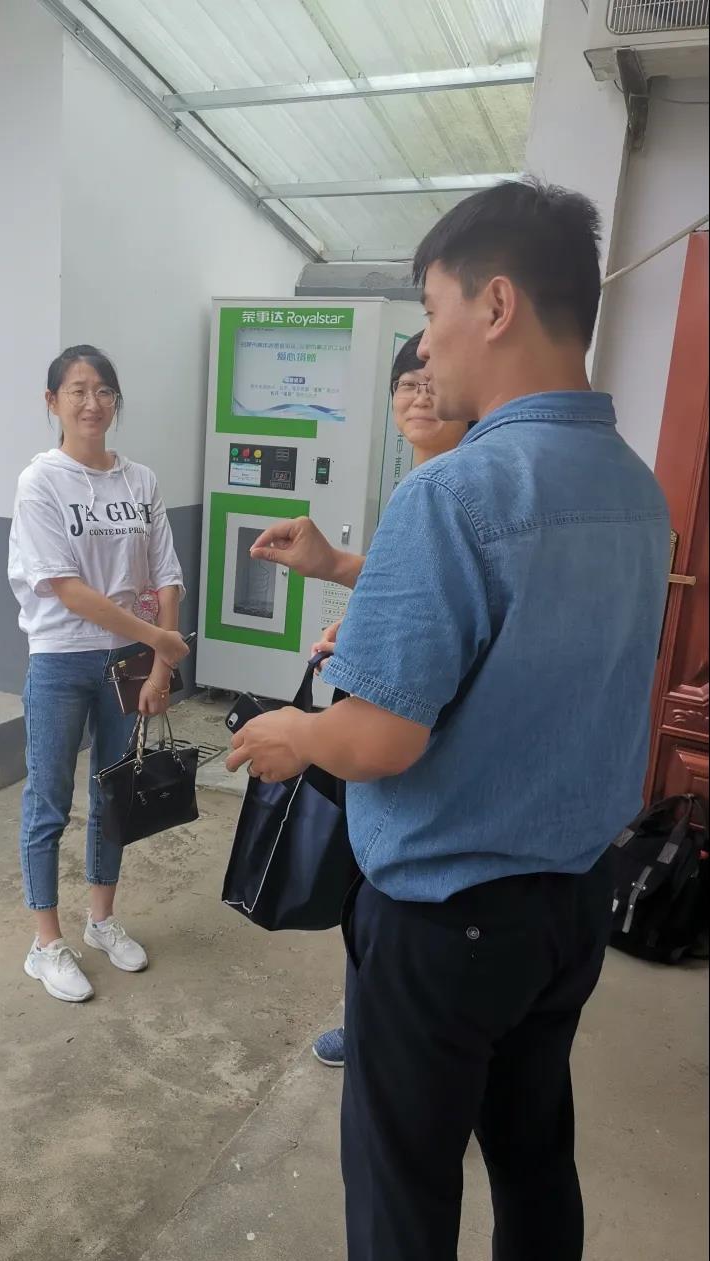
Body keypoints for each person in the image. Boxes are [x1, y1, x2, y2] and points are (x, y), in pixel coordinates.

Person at [226, 180, 669, 1261]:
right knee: (532, 1153)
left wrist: (290, 735)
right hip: (572, 903)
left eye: (431, 310)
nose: (422, 344)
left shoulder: (458, 490)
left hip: (443, 923)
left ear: (496, 304)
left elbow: (378, 738)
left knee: (402, 1191)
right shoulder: (634, 488)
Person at [9, 345, 187, 1003]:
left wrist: (158, 664)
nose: (92, 403)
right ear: (52, 401)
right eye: (78, 390)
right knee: (48, 801)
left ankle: (101, 920)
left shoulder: (141, 481)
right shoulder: (40, 482)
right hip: (61, 659)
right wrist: (158, 639)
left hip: (128, 662)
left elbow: (166, 573)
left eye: (104, 390)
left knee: (115, 792)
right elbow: (65, 587)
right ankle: (45, 943)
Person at [313, 331, 471, 1069]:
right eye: (406, 382)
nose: (419, 395)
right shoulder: (422, 482)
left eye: (432, 381)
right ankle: (369, 1021)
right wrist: (356, 619)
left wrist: (299, 736)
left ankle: (384, 1038)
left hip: (418, 755)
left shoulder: (451, 489)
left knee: (394, 892)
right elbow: (416, 601)